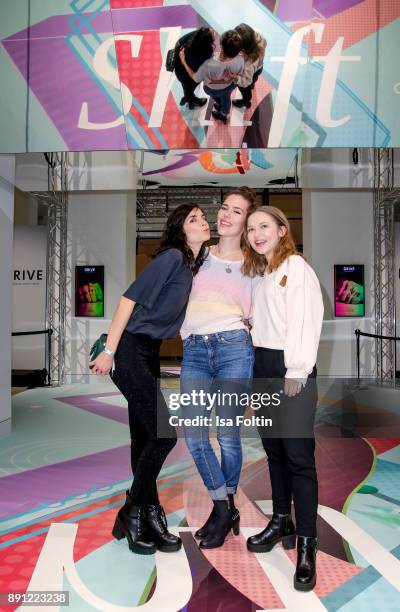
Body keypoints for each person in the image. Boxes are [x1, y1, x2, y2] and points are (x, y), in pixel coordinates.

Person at [89, 204, 210, 555]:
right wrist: (109, 351)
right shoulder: (173, 257)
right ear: (179, 229)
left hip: (150, 351)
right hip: (129, 349)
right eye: (193, 218)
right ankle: (133, 511)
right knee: (163, 435)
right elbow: (128, 300)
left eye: (203, 217)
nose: (202, 221)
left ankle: (148, 514)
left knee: (143, 438)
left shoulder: (192, 265)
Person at [244, 206, 324, 591]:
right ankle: (281, 521)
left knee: (297, 457)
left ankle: (307, 545)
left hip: (289, 369)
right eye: (251, 228)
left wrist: (297, 371)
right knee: (274, 452)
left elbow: (305, 322)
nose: (257, 233)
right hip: (263, 365)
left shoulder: (296, 268)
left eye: (264, 226)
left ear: (281, 229)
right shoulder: (262, 274)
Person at [180, 187, 258, 549]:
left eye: (236, 211)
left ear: (247, 221)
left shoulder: (256, 264)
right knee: (195, 437)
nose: (225, 214)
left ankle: (223, 511)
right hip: (195, 349)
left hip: (234, 348)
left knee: (228, 436)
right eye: (224, 207)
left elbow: (263, 319)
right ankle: (224, 506)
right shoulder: (198, 255)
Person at [179, 30, 244, 124]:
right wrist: (229, 79)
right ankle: (224, 113)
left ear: (221, 45)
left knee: (217, 97)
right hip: (230, 86)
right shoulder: (241, 60)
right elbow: (240, 75)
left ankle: (219, 104)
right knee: (226, 98)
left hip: (213, 89)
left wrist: (183, 60)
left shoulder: (208, 64)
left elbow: (195, 78)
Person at [174, 27, 215, 110]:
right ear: (208, 42)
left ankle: (188, 97)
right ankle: (191, 100)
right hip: (189, 75)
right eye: (213, 33)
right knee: (189, 87)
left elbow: (178, 42)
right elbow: (196, 77)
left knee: (186, 87)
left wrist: (178, 55)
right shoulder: (206, 53)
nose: (214, 32)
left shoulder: (195, 35)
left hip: (179, 70)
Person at [232, 23, 267, 109]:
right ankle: (252, 85)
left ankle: (246, 101)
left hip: (248, 74)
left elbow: (245, 82)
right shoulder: (258, 35)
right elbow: (265, 43)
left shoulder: (248, 62)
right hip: (259, 67)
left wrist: (236, 78)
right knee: (254, 79)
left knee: (246, 89)